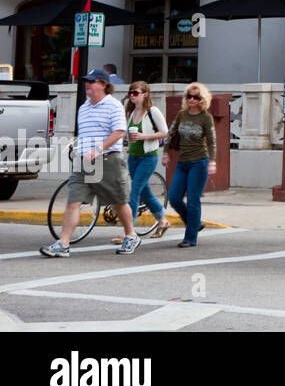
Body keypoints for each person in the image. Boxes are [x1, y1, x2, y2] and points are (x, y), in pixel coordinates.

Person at [41, 69, 141, 257]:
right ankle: (63, 243)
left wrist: (98, 149)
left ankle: (131, 235)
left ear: (103, 84)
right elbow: (84, 134)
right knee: (74, 200)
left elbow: (119, 132)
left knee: (119, 201)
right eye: (86, 81)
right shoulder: (84, 107)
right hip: (84, 162)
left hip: (108, 160)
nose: (87, 84)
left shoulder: (113, 106)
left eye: (92, 81)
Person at [112, 81, 170, 243]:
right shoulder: (132, 112)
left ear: (145, 94)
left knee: (134, 192)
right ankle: (163, 221)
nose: (132, 95)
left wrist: (145, 136)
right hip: (133, 157)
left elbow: (164, 132)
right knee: (145, 192)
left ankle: (129, 233)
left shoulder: (153, 111)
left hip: (148, 157)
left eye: (136, 93)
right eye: (130, 92)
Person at [162, 82, 218, 248]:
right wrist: (165, 153)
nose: (192, 99)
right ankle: (195, 223)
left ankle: (190, 237)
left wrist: (212, 161)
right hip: (182, 162)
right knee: (174, 198)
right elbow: (170, 133)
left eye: (196, 97)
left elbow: (212, 140)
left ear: (202, 99)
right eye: (189, 96)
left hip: (199, 162)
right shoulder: (182, 114)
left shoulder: (205, 117)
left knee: (193, 200)